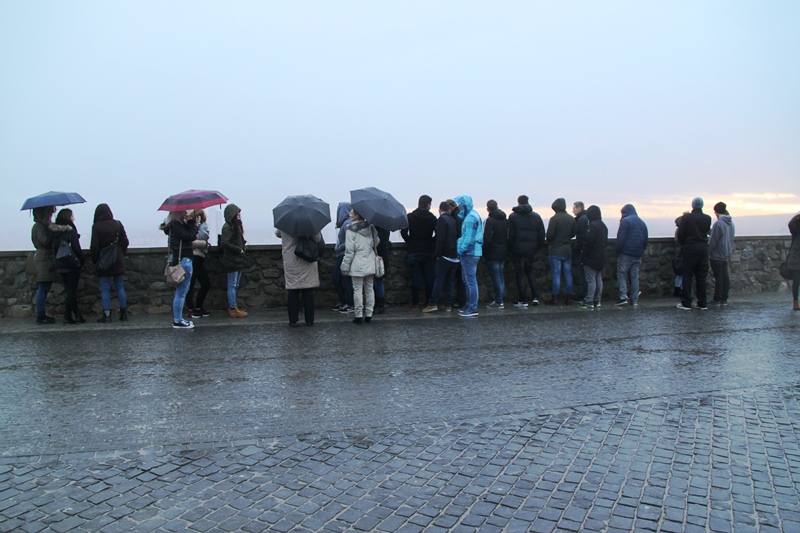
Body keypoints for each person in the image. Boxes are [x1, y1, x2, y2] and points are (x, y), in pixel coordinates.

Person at [31, 206, 71, 324]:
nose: (50, 216)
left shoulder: (40, 226)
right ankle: (40, 316)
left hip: (45, 259)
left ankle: (41, 315)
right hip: (43, 259)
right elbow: (45, 241)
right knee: (43, 287)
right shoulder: (39, 227)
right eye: (48, 213)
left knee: (44, 287)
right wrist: (52, 234)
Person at [91, 203, 130, 322]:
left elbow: (94, 247)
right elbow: (125, 242)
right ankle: (123, 314)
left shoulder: (97, 226)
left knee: (105, 288)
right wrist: (119, 253)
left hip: (104, 261)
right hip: (117, 259)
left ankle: (107, 315)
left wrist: (95, 260)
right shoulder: (117, 224)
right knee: (120, 287)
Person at [276, 229, 322, 326]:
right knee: (308, 291)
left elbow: (278, 234)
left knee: (293, 291)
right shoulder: (309, 224)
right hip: (307, 258)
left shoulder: (286, 223)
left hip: (291, 260)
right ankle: (309, 320)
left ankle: (293, 320)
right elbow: (317, 239)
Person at [341, 209, 379, 324]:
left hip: (357, 263)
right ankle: (369, 314)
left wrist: (344, 266)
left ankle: (358, 315)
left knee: (357, 290)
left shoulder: (351, 230)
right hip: (370, 261)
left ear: (357, 216)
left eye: (352, 213)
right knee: (369, 289)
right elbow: (376, 242)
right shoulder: (371, 227)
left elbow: (349, 251)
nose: (349, 215)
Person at [507, 195, 546, 307]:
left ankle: (523, 299)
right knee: (530, 272)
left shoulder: (513, 217)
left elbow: (510, 235)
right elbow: (541, 234)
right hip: (531, 249)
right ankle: (535, 297)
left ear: (518, 202)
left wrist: (510, 247)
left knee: (519, 273)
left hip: (517, 249)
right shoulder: (536, 216)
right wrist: (536, 246)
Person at [161, 211, 197, 329]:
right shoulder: (177, 226)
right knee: (182, 292)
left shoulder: (173, 226)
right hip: (184, 261)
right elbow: (191, 236)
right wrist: (191, 221)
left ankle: (178, 318)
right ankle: (178, 320)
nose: (186, 212)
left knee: (180, 292)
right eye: (183, 211)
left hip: (178, 260)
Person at [401, 194, 437, 307]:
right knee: (428, 279)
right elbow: (438, 234)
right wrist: (431, 241)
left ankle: (415, 302)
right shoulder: (432, 218)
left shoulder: (410, 217)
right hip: (427, 251)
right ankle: (428, 301)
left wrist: (410, 241)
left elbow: (403, 232)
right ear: (428, 205)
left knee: (415, 278)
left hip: (414, 251)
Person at [677, 197, 712, 310]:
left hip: (689, 248)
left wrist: (684, 244)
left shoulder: (687, 218)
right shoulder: (707, 218)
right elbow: (707, 231)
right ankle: (702, 302)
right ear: (702, 206)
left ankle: (687, 302)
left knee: (687, 276)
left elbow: (681, 234)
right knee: (701, 277)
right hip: (703, 249)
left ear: (692, 206)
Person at [423, 201, 459, 313]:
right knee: (450, 281)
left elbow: (440, 239)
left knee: (439, 280)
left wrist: (437, 254)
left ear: (439, 210)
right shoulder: (453, 220)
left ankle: (433, 303)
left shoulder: (442, 220)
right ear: (449, 210)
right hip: (455, 256)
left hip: (445, 256)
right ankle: (448, 305)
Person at [51, 209, 85, 324]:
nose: (74, 218)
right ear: (68, 217)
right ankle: (67, 315)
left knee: (70, 291)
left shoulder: (54, 232)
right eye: (72, 216)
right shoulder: (71, 230)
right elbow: (76, 249)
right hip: (71, 264)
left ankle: (77, 315)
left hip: (60, 264)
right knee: (72, 292)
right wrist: (82, 260)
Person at [615, 204, 649, 307]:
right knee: (634, 277)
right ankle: (634, 299)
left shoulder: (626, 221)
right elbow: (645, 241)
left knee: (621, 273)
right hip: (638, 254)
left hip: (626, 253)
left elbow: (621, 238)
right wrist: (640, 250)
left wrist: (618, 250)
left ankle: (623, 297)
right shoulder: (642, 223)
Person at [454, 194, 483, 317]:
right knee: (467, 280)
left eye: (460, 205)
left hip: (469, 253)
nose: (459, 208)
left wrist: (460, 250)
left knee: (470, 280)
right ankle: (469, 304)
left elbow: (469, 239)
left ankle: (472, 307)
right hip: (472, 252)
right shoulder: (473, 215)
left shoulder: (470, 218)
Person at [545, 198, 576, 305]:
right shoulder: (571, 219)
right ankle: (569, 297)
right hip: (567, 250)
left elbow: (549, 235)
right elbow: (573, 234)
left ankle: (555, 297)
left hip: (555, 250)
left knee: (556, 274)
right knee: (568, 274)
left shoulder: (554, 219)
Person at [220, 204, 248, 318]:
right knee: (232, 284)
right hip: (232, 260)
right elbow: (225, 243)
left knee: (235, 284)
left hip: (237, 260)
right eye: (237, 213)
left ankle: (234, 306)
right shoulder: (227, 227)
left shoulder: (235, 227)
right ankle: (233, 308)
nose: (239, 215)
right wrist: (238, 249)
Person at [578, 206, 608, 308]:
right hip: (601, 255)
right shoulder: (603, 226)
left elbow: (587, 244)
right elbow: (605, 243)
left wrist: (583, 255)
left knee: (591, 280)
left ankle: (589, 300)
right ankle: (597, 300)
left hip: (591, 257)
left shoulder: (591, 227)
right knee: (598, 278)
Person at [184, 209, 211, 319]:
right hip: (191, 257)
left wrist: (199, 226)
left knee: (206, 283)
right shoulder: (188, 226)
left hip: (199, 258)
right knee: (190, 285)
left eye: (199, 216)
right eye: (196, 216)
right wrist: (204, 244)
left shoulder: (203, 226)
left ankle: (198, 307)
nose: (198, 218)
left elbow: (203, 236)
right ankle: (191, 309)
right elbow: (191, 241)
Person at [708, 202, 735, 306]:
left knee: (718, 277)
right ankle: (724, 298)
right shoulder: (731, 223)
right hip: (726, 253)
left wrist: (708, 252)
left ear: (716, 212)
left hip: (717, 254)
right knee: (725, 277)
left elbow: (713, 240)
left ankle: (717, 299)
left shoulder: (718, 224)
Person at [483, 199, 508, 309]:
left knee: (496, 276)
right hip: (503, 250)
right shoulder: (505, 220)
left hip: (493, 252)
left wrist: (485, 250)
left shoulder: (490, 220)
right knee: (501, 275)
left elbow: (487, 238)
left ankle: (499, 300)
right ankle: (501, 298)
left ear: (488, 208)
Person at [331, 202, 354, 313]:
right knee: (341, 280)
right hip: (343, 254)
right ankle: (344, 302)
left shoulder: (347, 224)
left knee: (342, 280)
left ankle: (349, 303)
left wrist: (339, 247)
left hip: (344, 255)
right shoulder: (346, 223)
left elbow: (350, 241)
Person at [572, 201, 589, 302]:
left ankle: (586, 295)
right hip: (587, 251)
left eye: (574, 208)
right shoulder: (586, 218)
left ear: (579, 208)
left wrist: (576, 250)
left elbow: (579, 238)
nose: (573, 210)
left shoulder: (581, 220)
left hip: (582, 252)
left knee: (585, 275)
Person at [372, 225, 391, 314]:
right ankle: (379, 304)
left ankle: (379, 305)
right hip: (383, 257)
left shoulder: (376, 228)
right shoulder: (386, 227)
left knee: (377, 282)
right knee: (378, 281)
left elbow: (378, 244)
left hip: (377, 258)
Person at [788, 213, 800, 311]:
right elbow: (791, 224)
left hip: (795, 258)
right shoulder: (796, 230)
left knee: (796, 281)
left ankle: (796, 301)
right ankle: (796, 301)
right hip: (796, 259)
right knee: (796, 281)